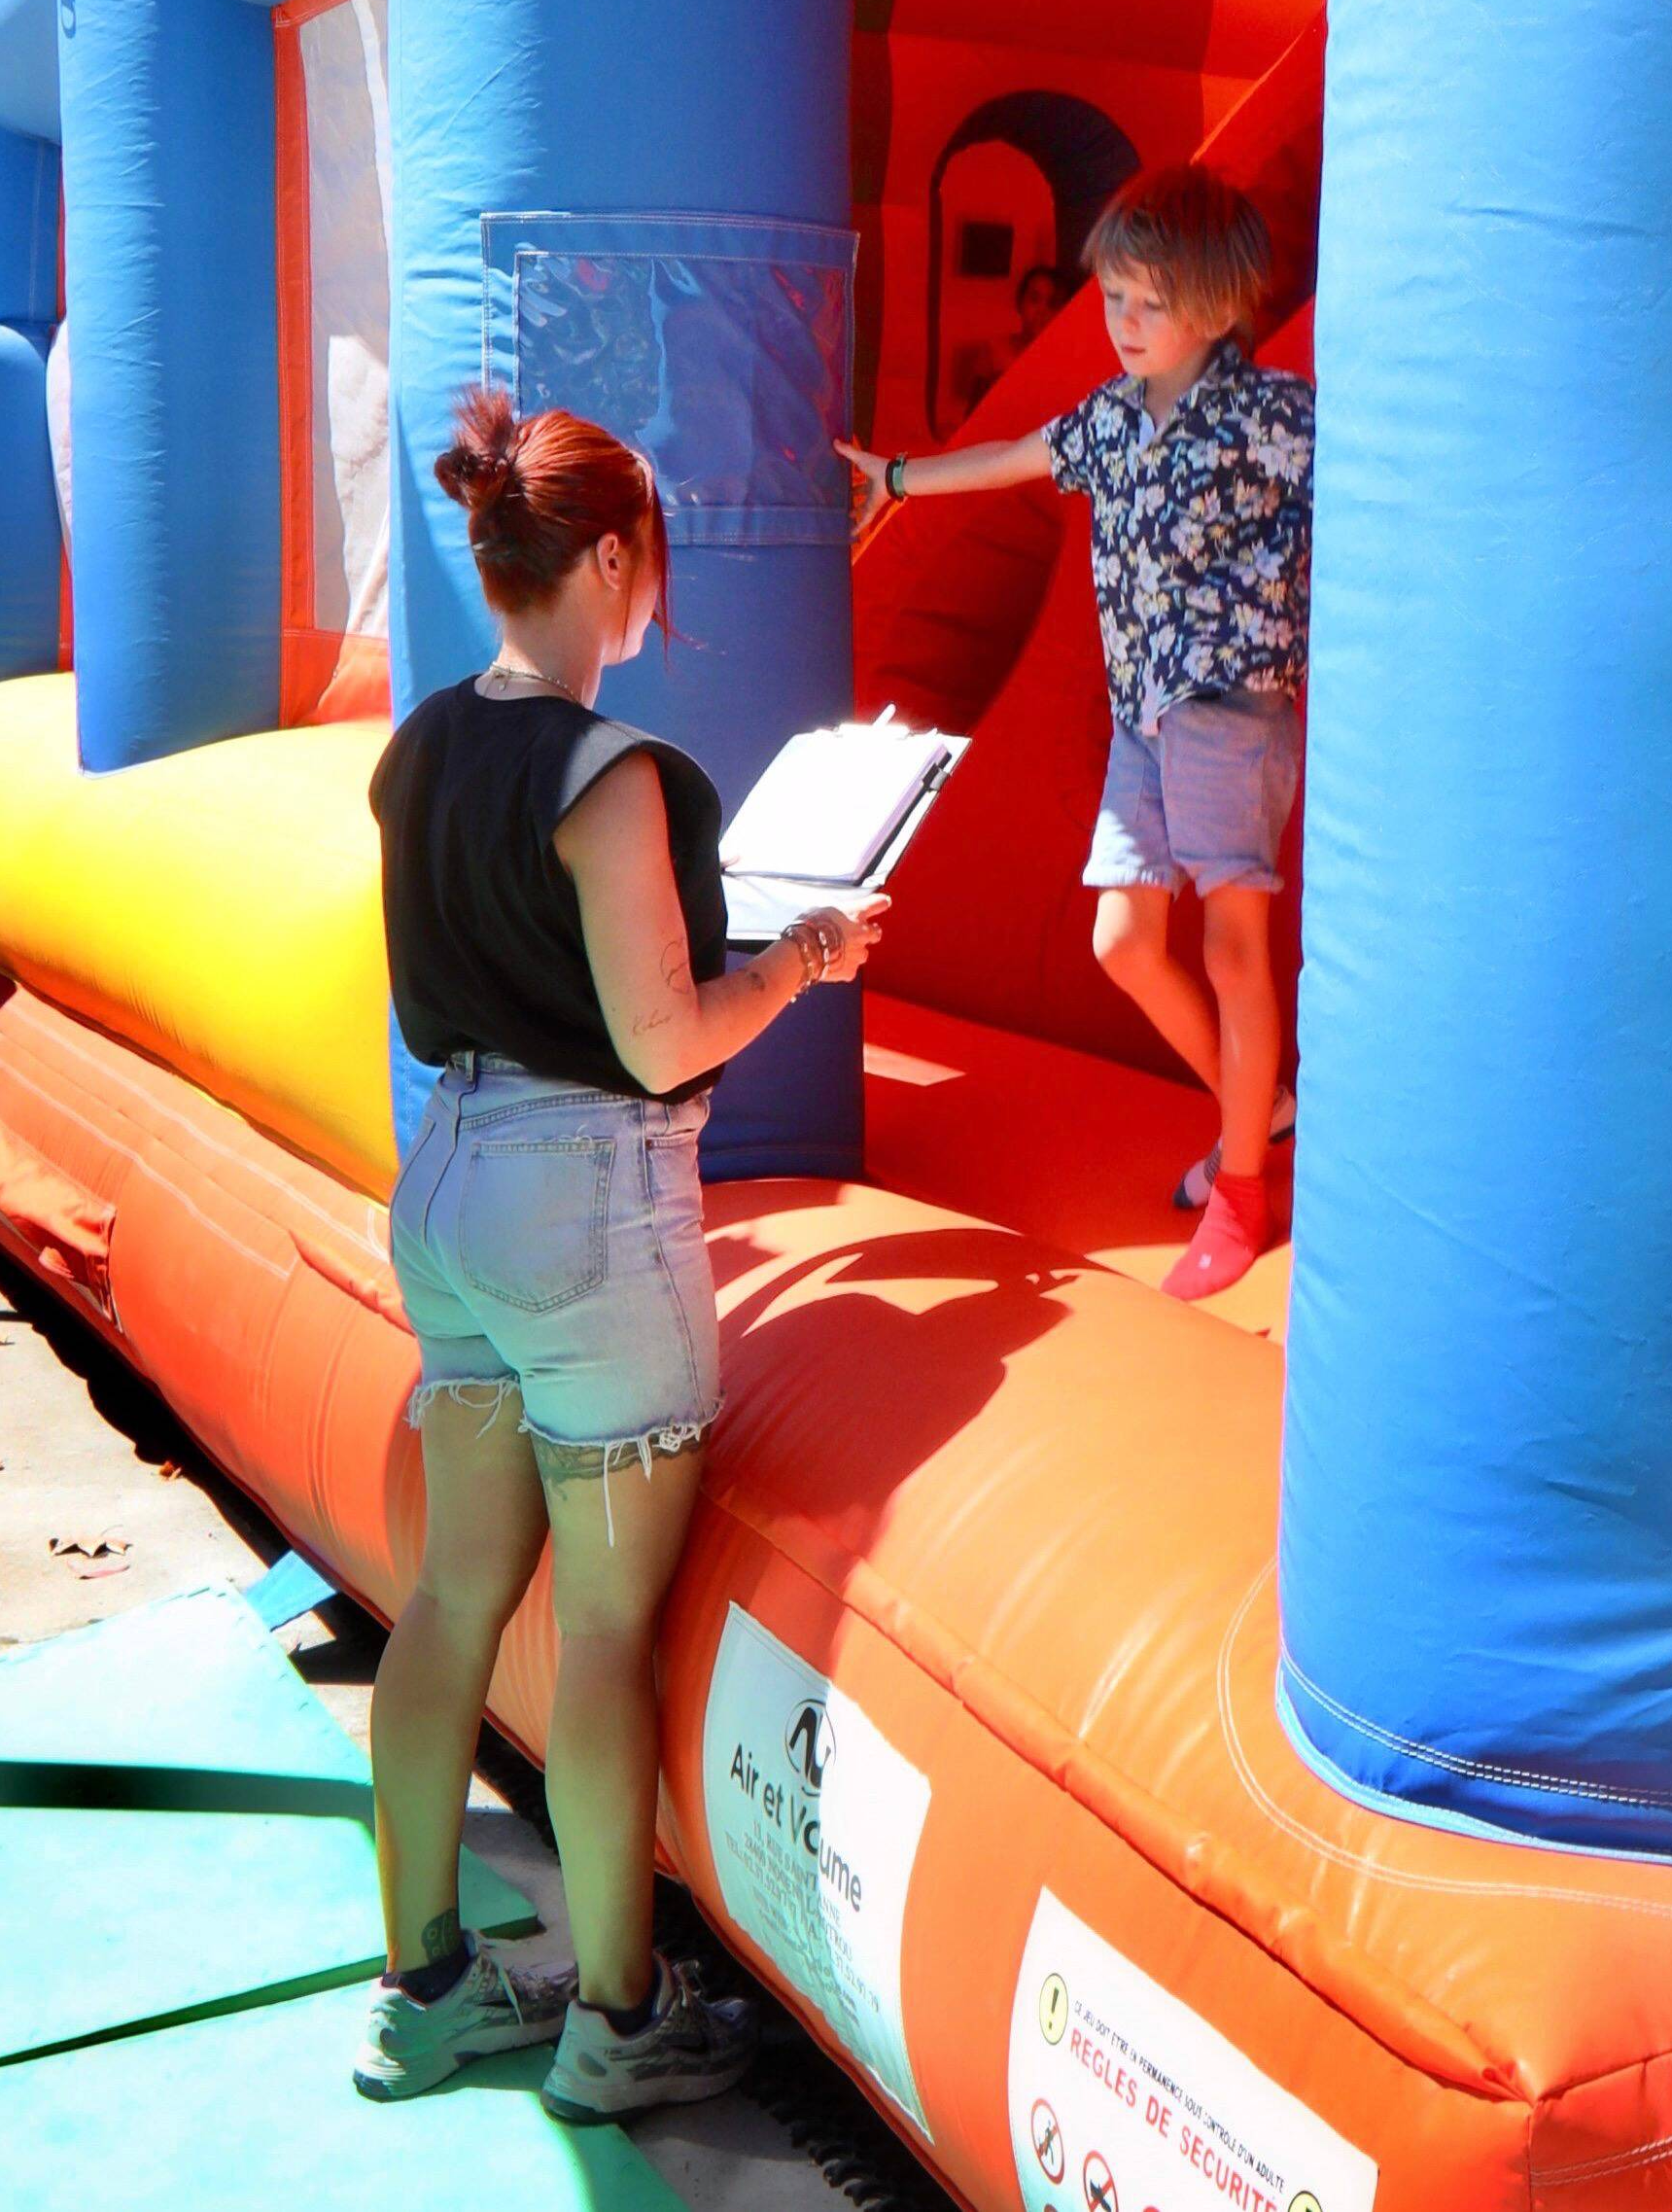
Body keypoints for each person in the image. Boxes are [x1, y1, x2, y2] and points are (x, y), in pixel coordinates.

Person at [358, 387, 887, 2117]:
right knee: (600, 1631)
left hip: (446, 1177)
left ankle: (424, 1982)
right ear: (604, 557)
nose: (656, 582)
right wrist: (803, 954)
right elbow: (661, 1039)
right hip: (586, 1201)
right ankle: (615, 2012)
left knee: (448, 1595)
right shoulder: (610, 774)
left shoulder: (420, 741)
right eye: (649, 553)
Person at [842, 165, 1308, 1299]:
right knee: (1123, 944)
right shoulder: (1110, 418)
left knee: (1232, 943)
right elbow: (1011, 459)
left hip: (1228, 711)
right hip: (1144, 715)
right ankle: (1268, 1112)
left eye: (1149, 302)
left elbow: (1376, 498)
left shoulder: (1269, 417)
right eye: (1113, 299)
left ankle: (1243, 1192)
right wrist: (897, 476)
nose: (1124, 323)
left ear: (1217, 302)